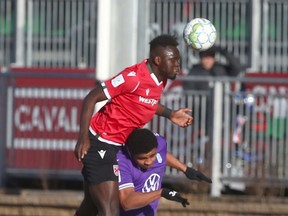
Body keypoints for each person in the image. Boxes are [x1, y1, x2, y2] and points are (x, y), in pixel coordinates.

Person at [74, 34, 193, 216]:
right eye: (174, 60)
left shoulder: (161, 79)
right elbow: (91, 98)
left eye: (179, 59)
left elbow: (145, 102)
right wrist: (83, 137)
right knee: (110, 211)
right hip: (100, 143)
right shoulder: (133, 77)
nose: (178, 64)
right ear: (158, 60)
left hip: (117, 146)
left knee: (90, 208)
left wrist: (170, 114)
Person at [117, 128, 212, 216]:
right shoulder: (122, 162)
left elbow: (163, 155)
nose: (148, 162)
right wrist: (161, 193)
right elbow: (127, 202)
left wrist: (184, 168)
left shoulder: (160, 143)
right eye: (142, 158)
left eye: (152, 155)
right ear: (130, 153)